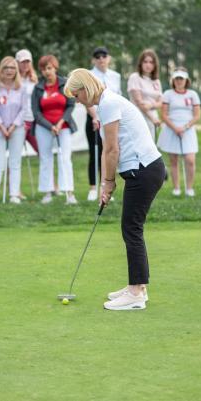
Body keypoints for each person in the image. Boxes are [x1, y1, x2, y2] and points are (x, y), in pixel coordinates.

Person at [65, 69, 165, 311]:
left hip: (144, 170)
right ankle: (138, 286)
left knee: (131, 228)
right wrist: (105, 183)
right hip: (143, 169)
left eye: (76, 95)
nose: (76, 101)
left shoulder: (108, 104)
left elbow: (112, 150)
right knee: (131, 227)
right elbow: (107, 152)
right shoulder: (107, 103)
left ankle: (136, 294)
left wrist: (109, 183)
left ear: (85, 88)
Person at [32, 55, 77, 205]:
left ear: (55, 68)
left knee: (65, 158)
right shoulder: (38, 87)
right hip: (44, 128)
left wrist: (59, 123)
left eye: (49, 68)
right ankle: (47, 193)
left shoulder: (65, 84)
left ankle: (69, 193)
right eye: (44, 69)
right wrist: (50, 126)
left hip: (63, 127)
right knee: (45, 159)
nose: (47, 71)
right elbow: (36, 112)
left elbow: (71, 105)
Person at [0, 57, 27, 205]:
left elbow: (23, 109)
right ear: (1, 70)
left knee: (15, 162)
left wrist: (13, 126)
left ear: (16, 70)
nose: (9, 70)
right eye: (6, 68)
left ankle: (14, 194)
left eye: (12, 68)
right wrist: (2, 127)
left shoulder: (21, 88)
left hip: (17, 129)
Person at [158, 68, 201, 196]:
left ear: (186, 80)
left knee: (190, 160)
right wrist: (175, 128)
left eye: (181, 78)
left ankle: (189, 188)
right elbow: (164, 115)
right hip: (172, 129)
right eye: (176, 78)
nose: (179, 81)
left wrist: (185, 127)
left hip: (187, 130)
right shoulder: (168, 94)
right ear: (173, 80)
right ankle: (176, 188)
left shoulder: (192, 94)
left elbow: (197, 115)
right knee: (174, 160)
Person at [86, 46, 121, 201]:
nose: (101, 59)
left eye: (104, 56)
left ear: (109, 58)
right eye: (97, 56)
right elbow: (87, 99)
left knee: (108, 152)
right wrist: (95, 117)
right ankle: (93, 188)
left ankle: (104, 187)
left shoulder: (115, 76)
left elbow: (117, 98)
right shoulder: (89, 75)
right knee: (95, 153)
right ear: (94, 60)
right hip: (94, 117)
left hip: (111, 119)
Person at [128, 49, 163, 141]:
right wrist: (153, 118)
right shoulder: (135, 77)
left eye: (151, 62)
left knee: (151, 148)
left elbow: (160, 102)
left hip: (153, 117)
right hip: (139, 117)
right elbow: (139, 103)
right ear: (141, 63)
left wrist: (151, 105)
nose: (148, 65)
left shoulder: (156, 81)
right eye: (145, 62)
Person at [16, 49, 39, 153]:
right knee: (15, 154)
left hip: (34, 121)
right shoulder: (13, 80)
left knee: (42, 150)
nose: (25, 64)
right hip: (19, 122)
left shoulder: (34, 80)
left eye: (27, 62)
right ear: (17, 63)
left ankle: (47, 170)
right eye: (22, 62)